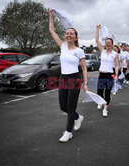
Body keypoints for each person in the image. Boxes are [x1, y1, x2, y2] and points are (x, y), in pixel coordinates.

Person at [49, 9, 88, 142]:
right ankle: (78, 117)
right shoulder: (63, 47)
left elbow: (83, 68)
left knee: (71, 106)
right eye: (67, 33)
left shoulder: (79, 51)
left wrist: (86, 83)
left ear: (75, 37)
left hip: (75, 78)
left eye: (71, 33)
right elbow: (52, 32)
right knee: (63, 106)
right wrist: (51, 17)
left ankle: (68, 131)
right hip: (63, 78)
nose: (69, 35)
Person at [95, 25, 119, 117]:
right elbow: (97, 41)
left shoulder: (115, 54)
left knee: (107, 92)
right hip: (101, 75)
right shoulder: (102, 51)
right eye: (106, 42)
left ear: (112, 44)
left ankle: (105, 109)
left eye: (109, 42)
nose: (108, 44)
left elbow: (116, 65)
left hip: (109, 76)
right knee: (100, 92)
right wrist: (97, 29)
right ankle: (100, 102)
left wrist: (116, 74)